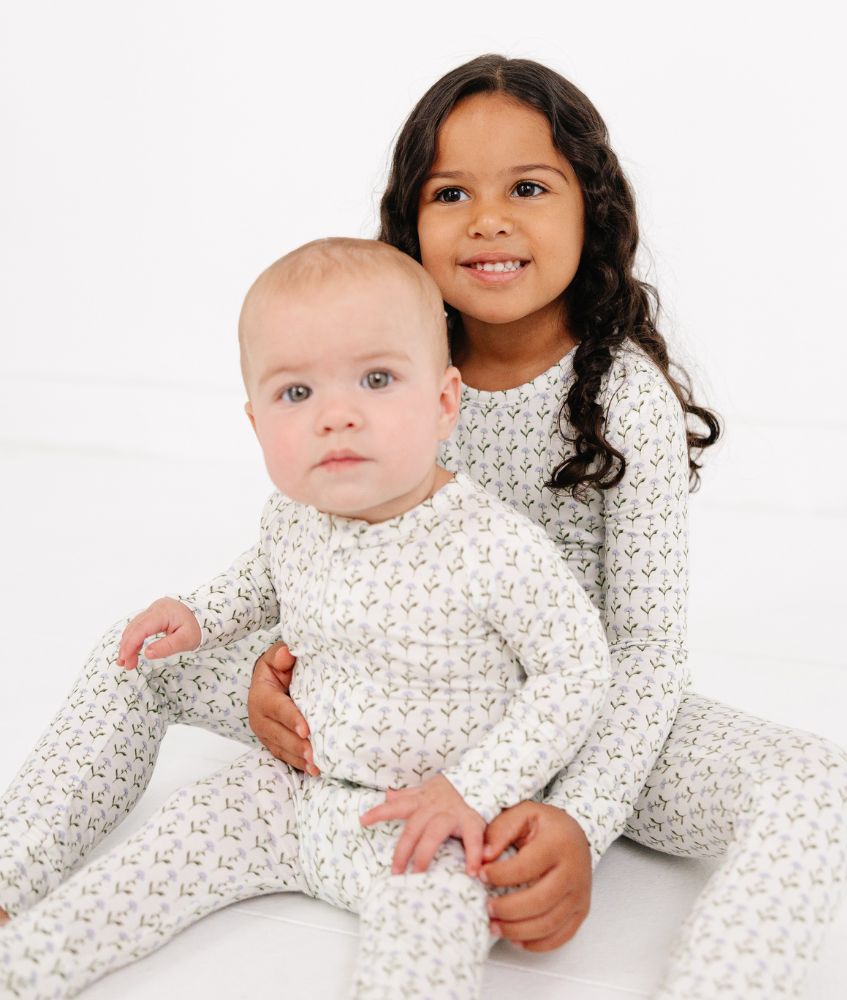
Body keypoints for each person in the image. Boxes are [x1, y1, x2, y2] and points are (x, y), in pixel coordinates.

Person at [0, 55, 847, 999]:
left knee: (819, 786)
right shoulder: (382, 349)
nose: (489, 219)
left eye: (530, 188)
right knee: (139, 655)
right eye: (451, 191)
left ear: (594, 211)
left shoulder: (622, 399)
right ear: (410, 222)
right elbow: (311, 541)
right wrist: (279, 661)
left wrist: (580, 816)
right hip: (374, 687)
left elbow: (646, 654)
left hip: (568, 710)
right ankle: (13, 882)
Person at [0, 237, 611, 998]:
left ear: (444, 401)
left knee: (434, 929)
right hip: (289, 789)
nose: (337, 417)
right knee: (156, 858)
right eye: (297, 395)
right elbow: (260, 578)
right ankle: (16, 930)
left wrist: (473, 787)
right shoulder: (294, 515)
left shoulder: (492, 545)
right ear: (257, 425)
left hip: (417, 816)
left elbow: (576, 671)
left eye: (378, 379)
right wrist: (196, 613)